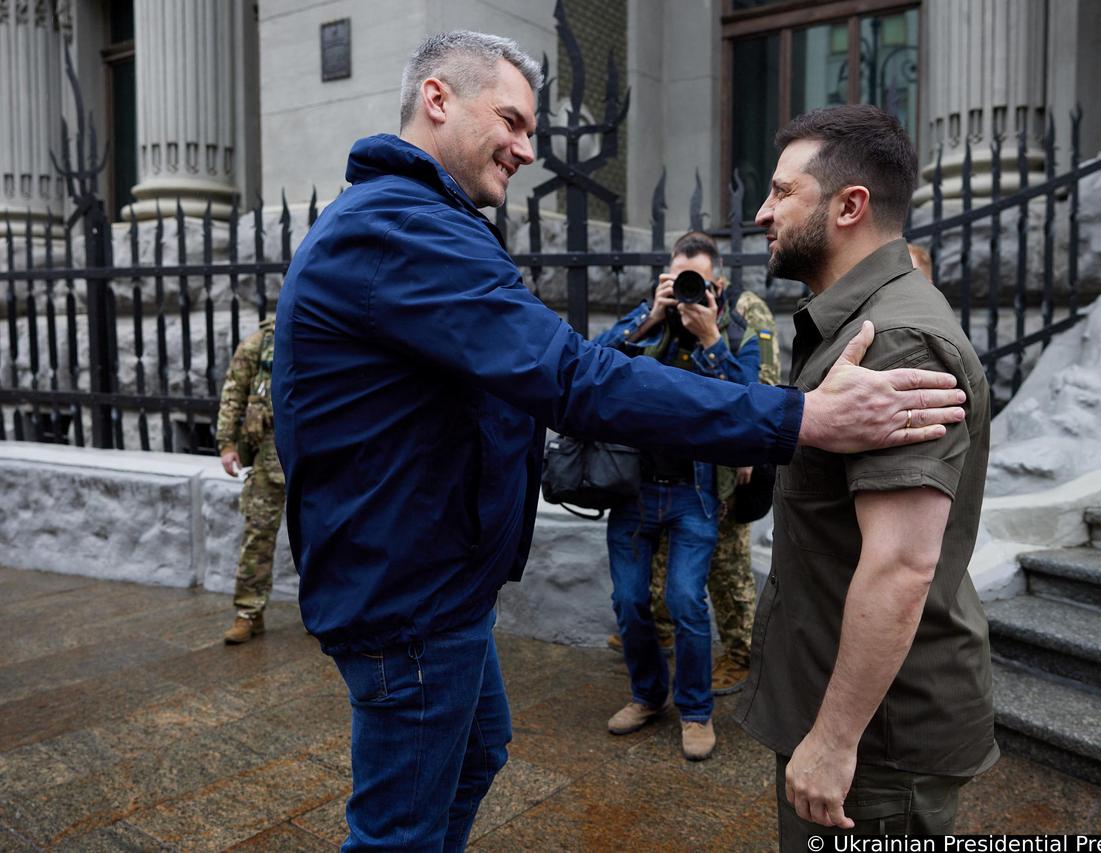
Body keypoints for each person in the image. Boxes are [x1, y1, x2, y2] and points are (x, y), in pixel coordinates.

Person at [272, 31, 967, 852]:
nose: (529, 149)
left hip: (428, 580)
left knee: (474, 755)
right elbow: (566, 379)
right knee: (399, 830)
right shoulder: (401, 228)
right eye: (513, 121)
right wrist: (799, 417)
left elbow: (545, 370)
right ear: (436, 99)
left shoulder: (420, 221)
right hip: (408, 595)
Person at [734, 104, 998, 843]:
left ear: (850, 205)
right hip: (843, 711)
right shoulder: (856, 323)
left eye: (782, 192)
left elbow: (903, 565)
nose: (762, 212)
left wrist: (835, 738)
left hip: (875, 745)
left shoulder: (900, 339)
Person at [594, 230, 771, 760]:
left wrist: (712, 339)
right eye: (677, 279)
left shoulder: (735, 329)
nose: (688, 290)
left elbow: (747, 401)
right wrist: (650, 316)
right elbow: (589, 367)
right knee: (629, 603)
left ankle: (695, 712)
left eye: (697, 280)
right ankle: (648, 696)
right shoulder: (647, 318)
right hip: (633, 489)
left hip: (694, 493)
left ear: (716, 282)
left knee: (685, 602)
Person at [214, 317, 286, 645]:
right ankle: (248, 613)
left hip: (317, 460)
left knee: (328, 538)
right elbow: (234, 392)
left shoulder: (323, 335)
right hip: (269, 458)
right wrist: (227, 444)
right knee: (257, 536)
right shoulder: (260, 342)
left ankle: (333, 614)